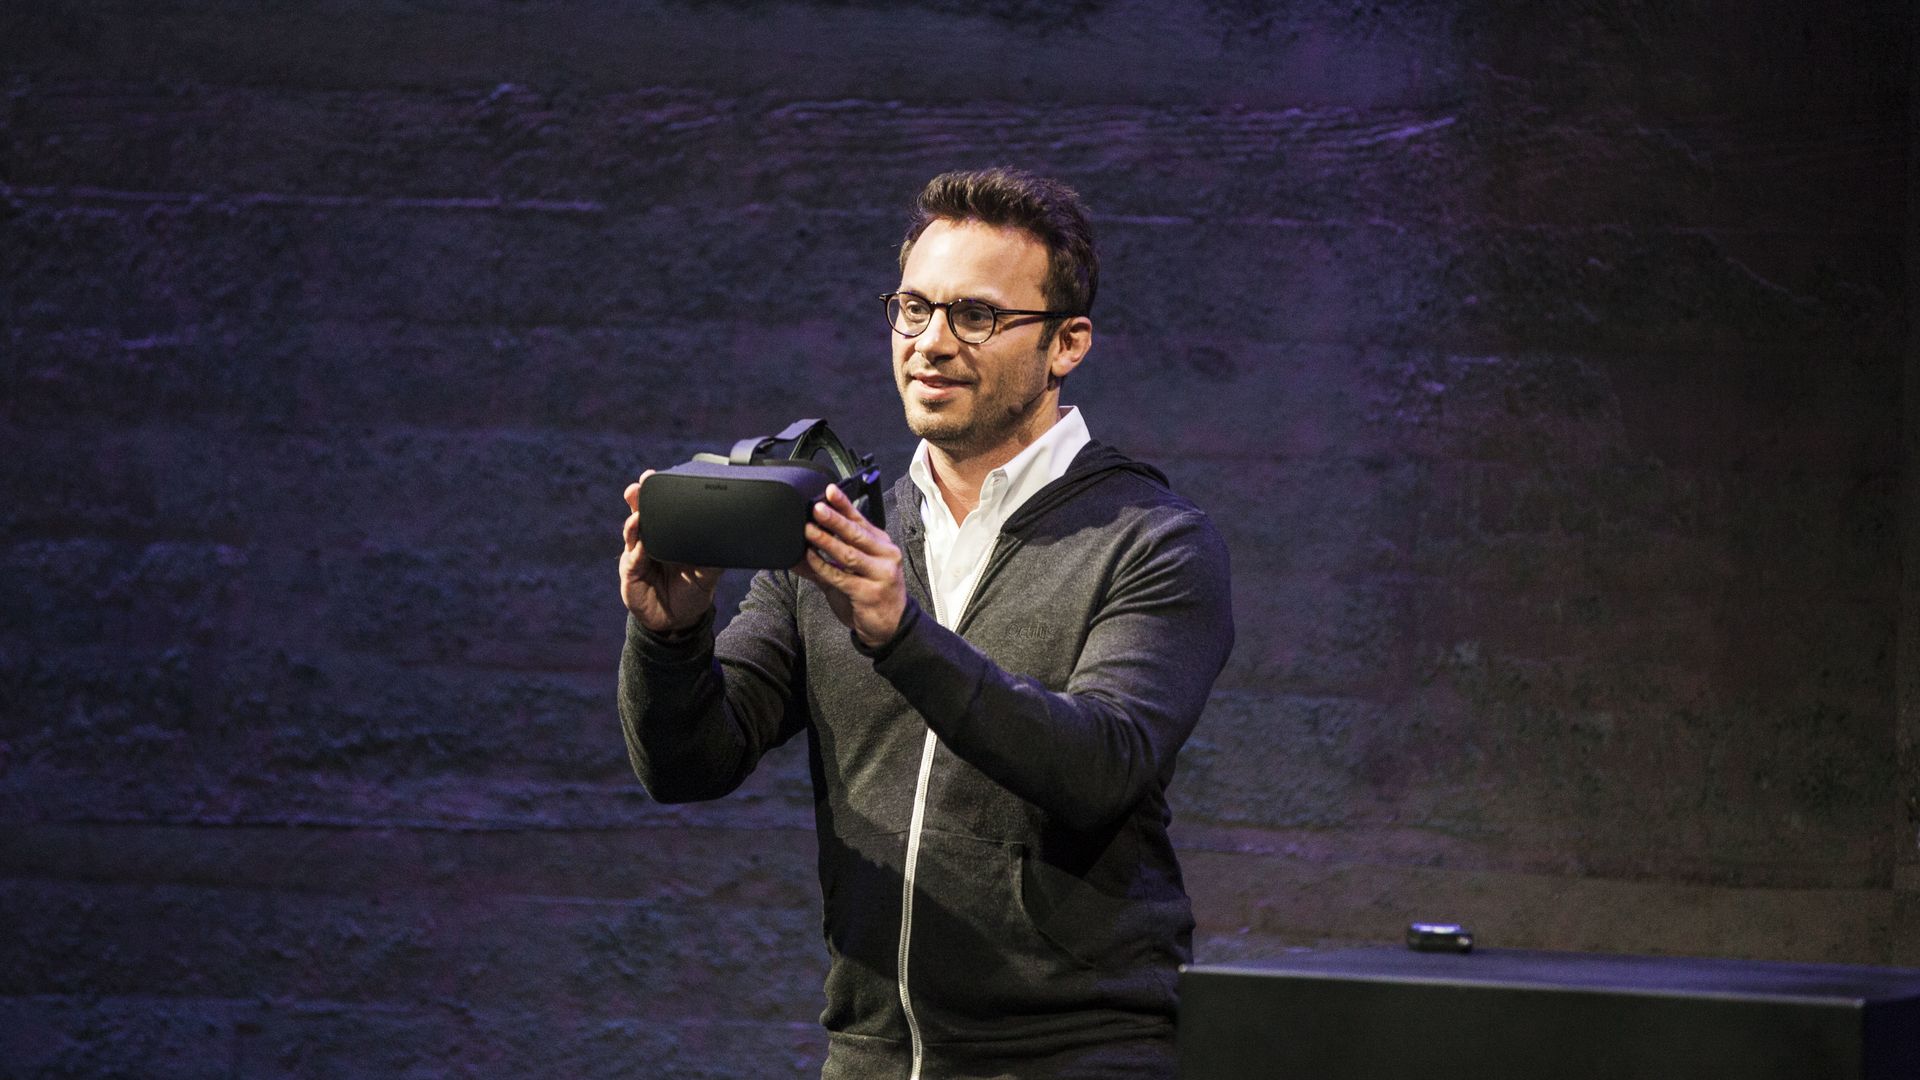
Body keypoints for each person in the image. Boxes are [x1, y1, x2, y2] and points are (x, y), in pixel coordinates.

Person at [617, 167, 1234, 1079]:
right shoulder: (840, 538)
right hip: (868, 1055)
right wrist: (672, 637)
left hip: (1071, 1053)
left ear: (1067, 343)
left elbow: (1100, 767)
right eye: (913, 309)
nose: (931, 344)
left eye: (975, 316)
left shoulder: (1152, 543)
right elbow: (689, 764)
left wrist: (903, 636)